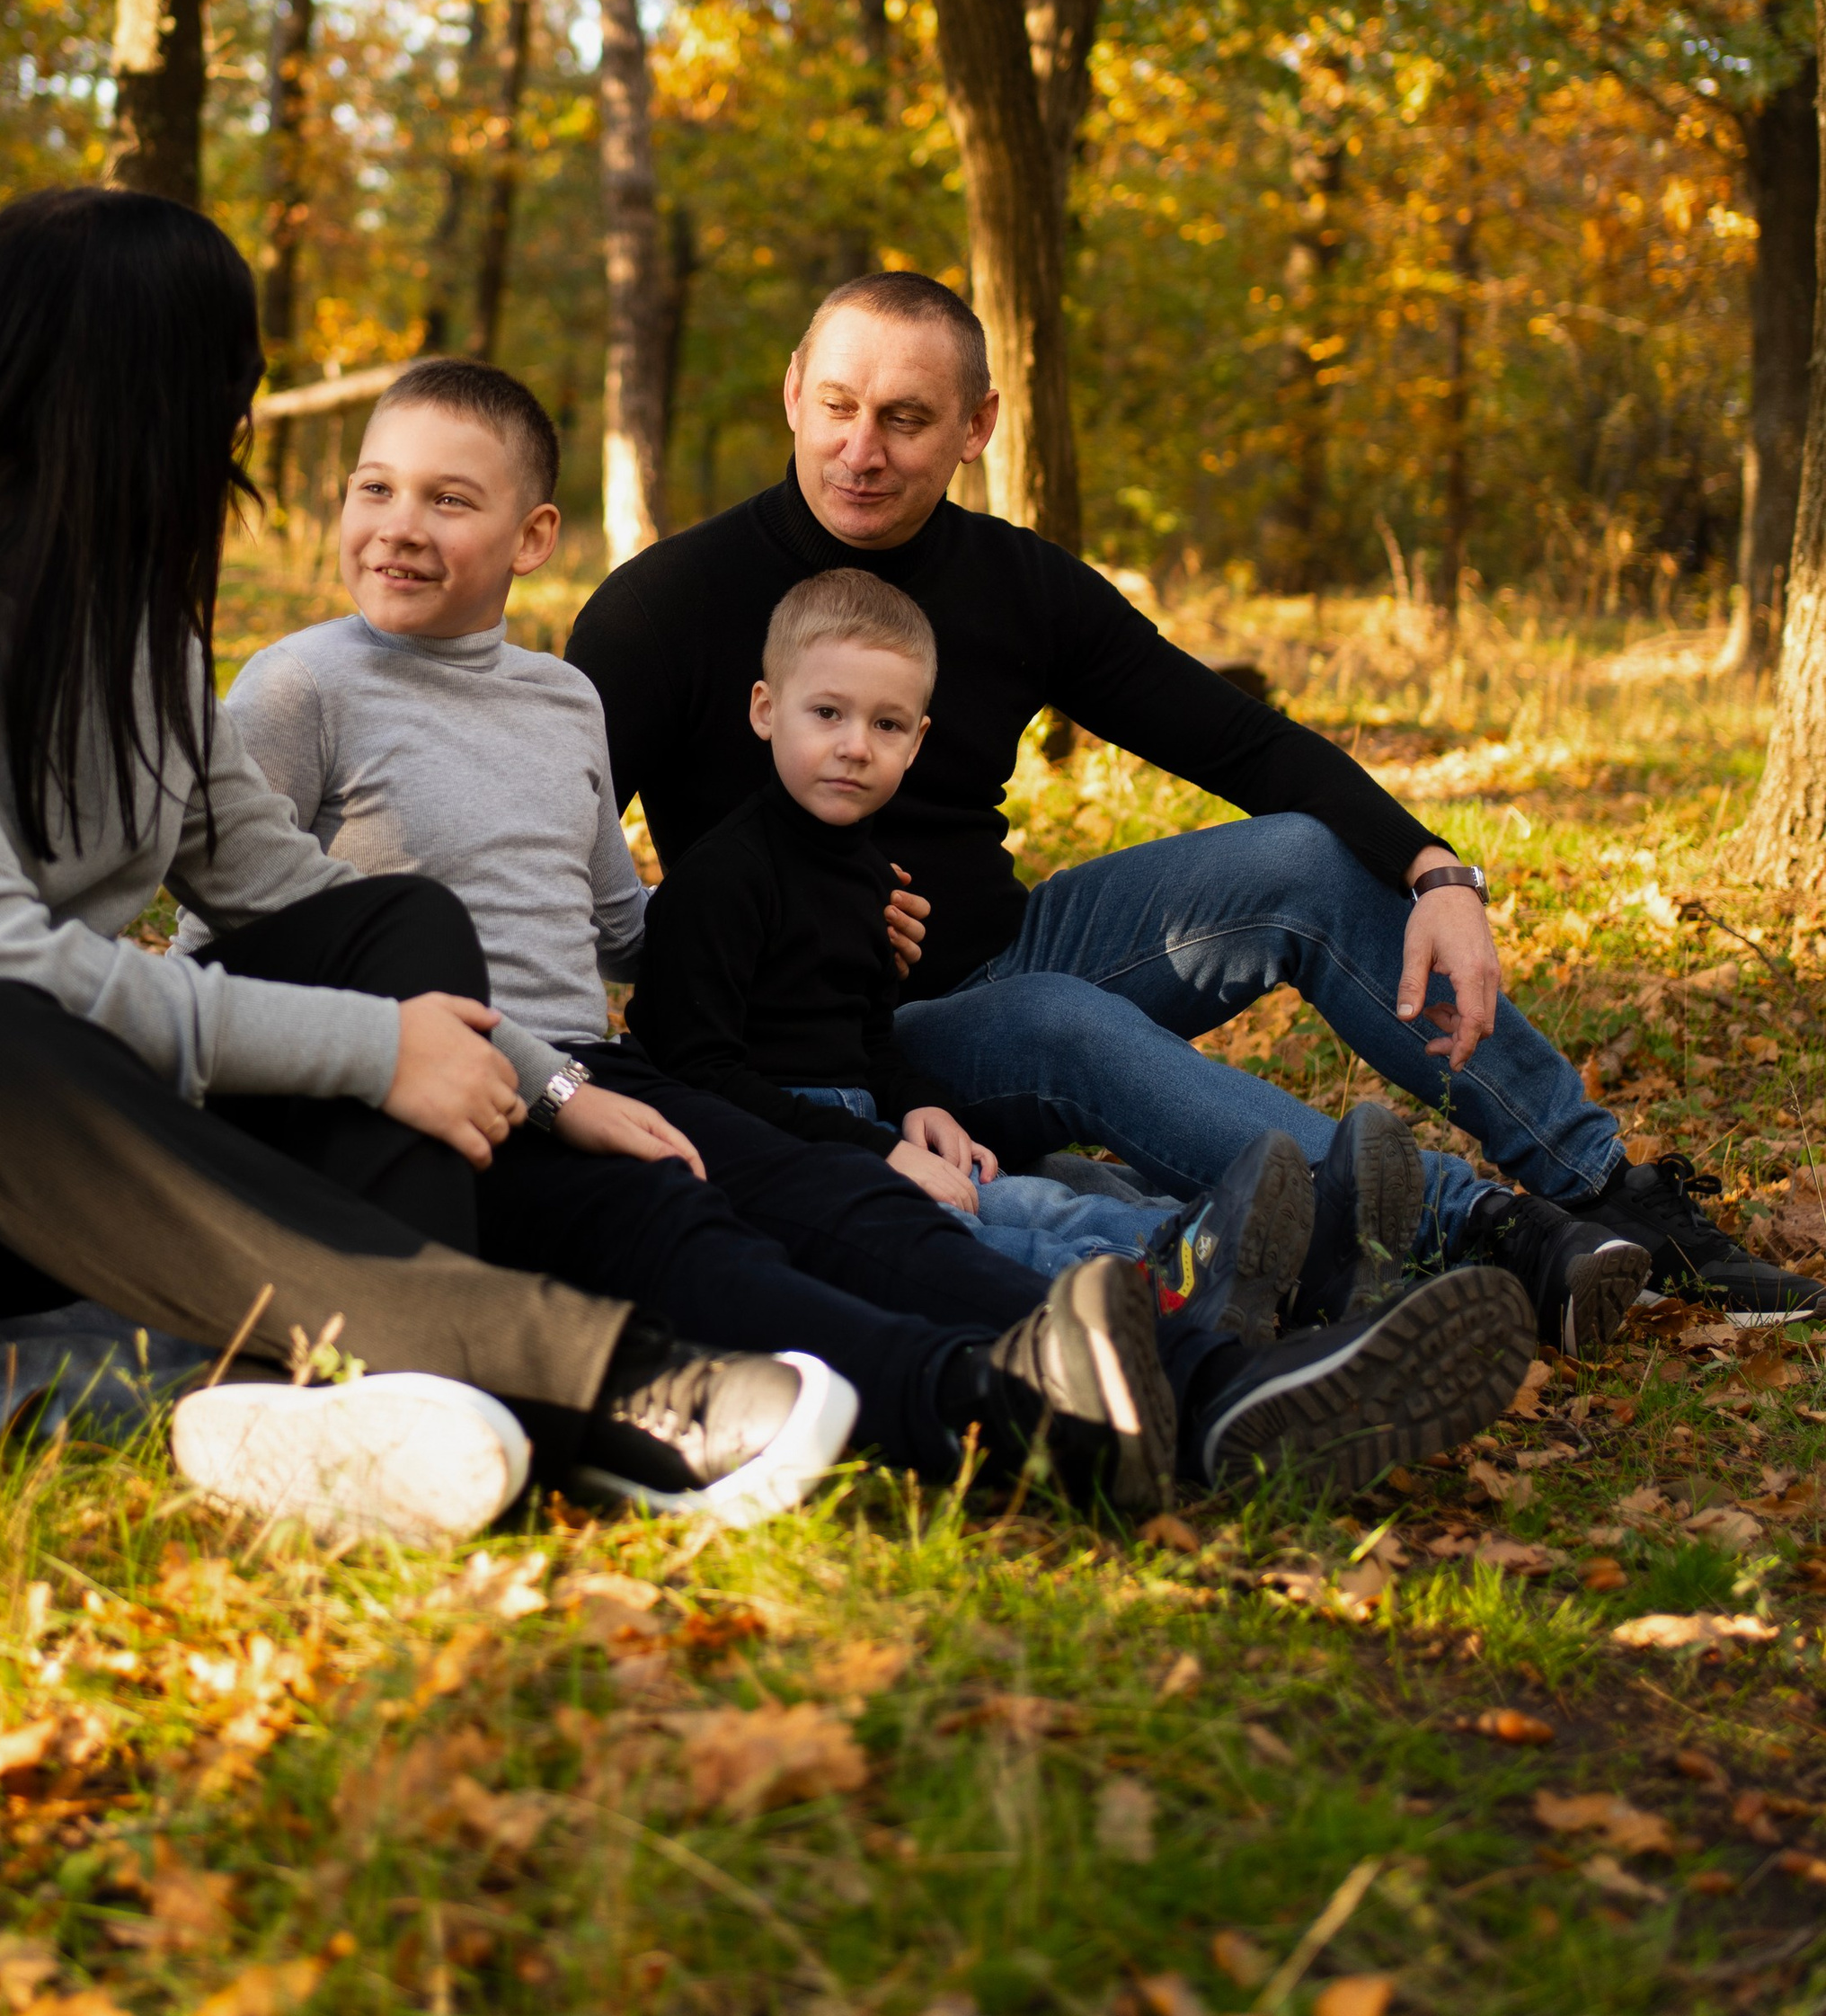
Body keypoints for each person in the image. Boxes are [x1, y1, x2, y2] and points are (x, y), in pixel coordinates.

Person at [0, 188, 862, 1553]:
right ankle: (575, 1373)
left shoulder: (136, 639)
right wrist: (371, 1053)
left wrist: (549, 1079)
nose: (235, 435)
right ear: (137, 398)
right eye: (226, 395)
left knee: (388, 917)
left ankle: (350, 1410)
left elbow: (304, 908)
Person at [204, 358, 1538, 1501]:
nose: (397, 525)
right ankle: (1057, 1385)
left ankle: (1214, 1376)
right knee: (702, 1227)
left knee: (834, 1182)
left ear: (534, 534)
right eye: (373, 489)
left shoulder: (557, 704)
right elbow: (250, 927)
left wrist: (806, 918)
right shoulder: (302, 686)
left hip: (592, 1064)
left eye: (449, 498)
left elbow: (613, 920)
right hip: (446, 1076)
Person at [569, 270, 1826, 1343]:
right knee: (1055, 1022)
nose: (863, 448)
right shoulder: (667, 607)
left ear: (977, 425)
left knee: (1299, 857)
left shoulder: (1021, 584)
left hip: (1009, 948)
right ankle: (1464, 1226)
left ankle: (1604, 1189)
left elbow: (1242, 742)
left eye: (907, 418)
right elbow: (552, 841)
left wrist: (1438, 871)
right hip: (835, 1044)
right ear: (794, 391)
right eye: (838, 407)